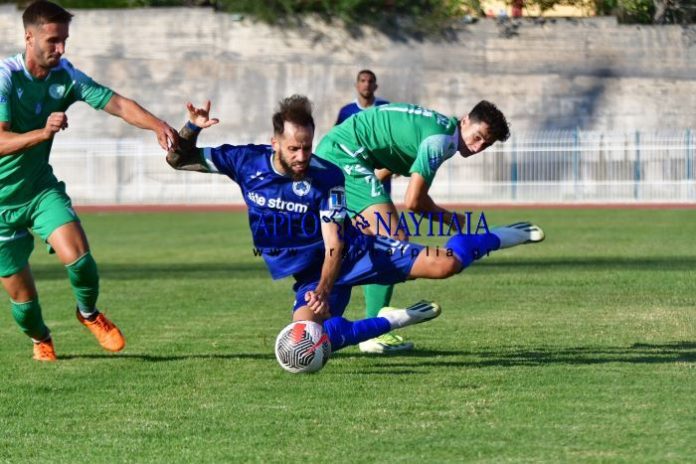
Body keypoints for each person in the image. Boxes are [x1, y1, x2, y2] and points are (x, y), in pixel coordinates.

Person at [165, 96, 543, 354]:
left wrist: (325, 290)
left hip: (349, 255)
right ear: (274, 143)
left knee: (445, 264)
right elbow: (178, 160)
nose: (302, 156)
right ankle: (386, 322)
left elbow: (335, 244)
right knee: (307, 340)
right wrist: (191, 127)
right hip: (314, 272)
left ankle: (495, 238)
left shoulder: (326, 176)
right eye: (294, 148)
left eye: (307, 147)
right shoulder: (245, 161)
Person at [0, 1, 179, 361]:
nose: (61, 49)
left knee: (79, 257)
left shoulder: (65, 75)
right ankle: (41, 338)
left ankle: (88, 313)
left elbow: (116, 103)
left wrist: (158, 125)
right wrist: (42, 132)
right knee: (24, 302)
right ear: (29, 36)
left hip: (38, 190)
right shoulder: (5, 78)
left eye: (64, 40)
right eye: (53, 40)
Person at [315, 100, 513, 354]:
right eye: (477, 137)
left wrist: (369, 197)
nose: (477, 147)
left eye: (485, 144)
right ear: (464, 120)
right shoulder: (439, 141)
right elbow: (414, 202)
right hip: (343, 154)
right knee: (394, 243)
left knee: (362, 247)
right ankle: (372, 329)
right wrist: (453, 220)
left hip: (342, 152)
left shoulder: (441, 130)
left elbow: (387, 160)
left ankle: (328, 326)